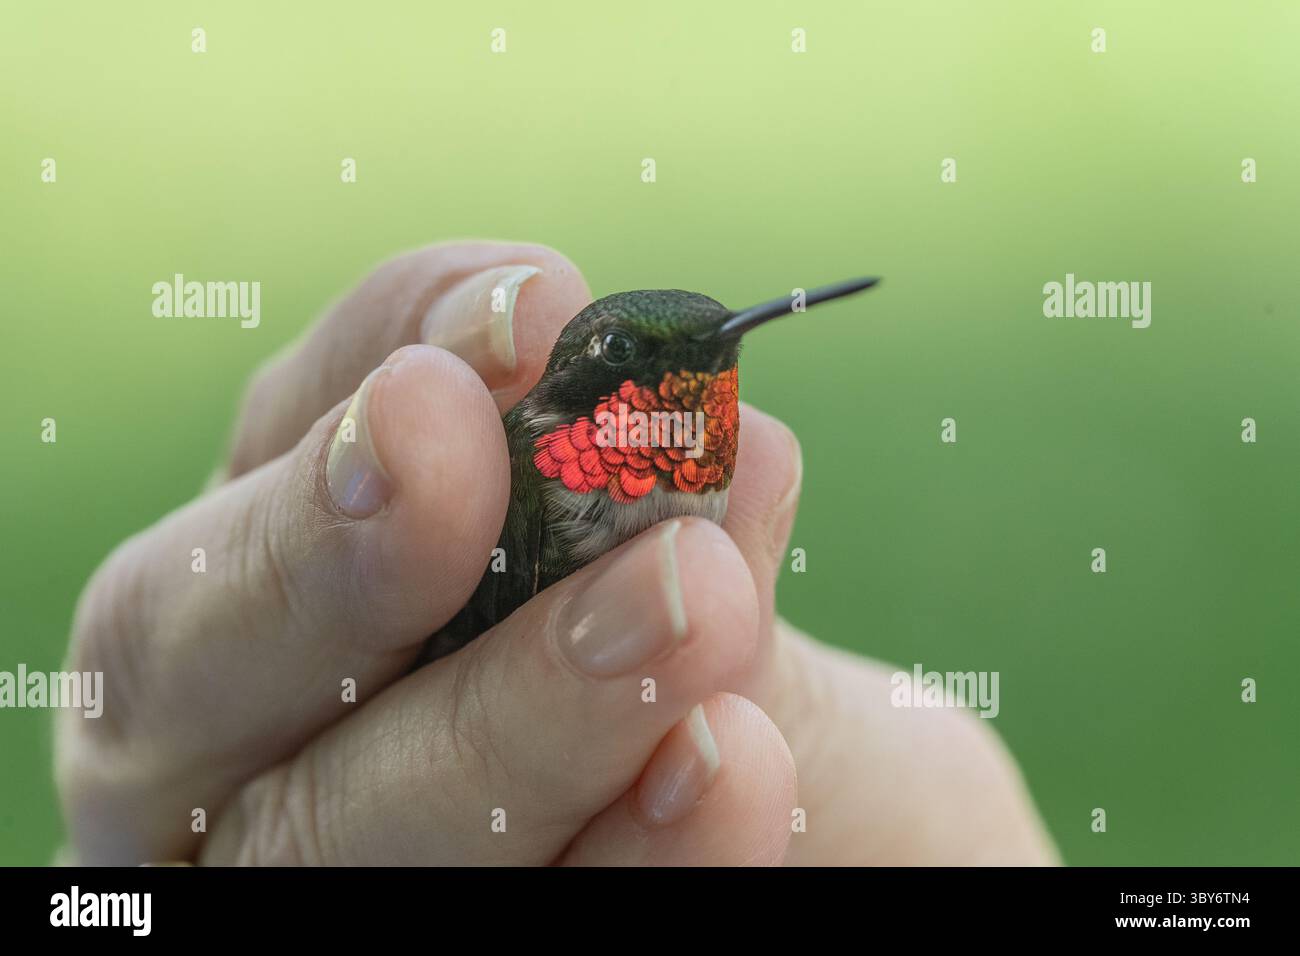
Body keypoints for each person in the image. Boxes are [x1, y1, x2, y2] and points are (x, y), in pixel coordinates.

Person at [55, 242, 1058, 866]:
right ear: (590, 382)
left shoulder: (706, 464)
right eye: (639, 358)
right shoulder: (532, 465)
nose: (695, 370)